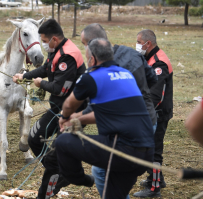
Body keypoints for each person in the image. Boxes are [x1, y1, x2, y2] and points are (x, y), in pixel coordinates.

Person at [56, 38, 155, 199]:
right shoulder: (126, 75)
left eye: (87, 58)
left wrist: (64, 118)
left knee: (62, 142)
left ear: (92, 59)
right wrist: (78, 119)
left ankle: (82, 179)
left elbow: (68, 104)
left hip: (123, 150)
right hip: (146, 152)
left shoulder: (92, 77)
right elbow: (105, 113)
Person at [12, 19, 86, 199]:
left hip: (72, 113)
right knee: (33, 139)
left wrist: (40, 84)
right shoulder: (57, 50)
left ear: (54, 39)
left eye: (44, 41)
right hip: (56, 109)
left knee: (55, 156)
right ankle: (62, 172)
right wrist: (25, 76)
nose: (43, 44)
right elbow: (46, 68)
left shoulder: (68, 55)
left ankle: (50, 186)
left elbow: (60, 89)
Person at [133, 29, 173, 198]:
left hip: (158, 112)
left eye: (138, 42)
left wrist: (143, 112)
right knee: (151, 146)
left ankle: (154, 188)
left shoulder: (159, 63)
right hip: (153, 110)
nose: (137, 45)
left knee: (154, 149)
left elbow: (156, 95)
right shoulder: (149, 58)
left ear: (147, 44)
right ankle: (158, 179)